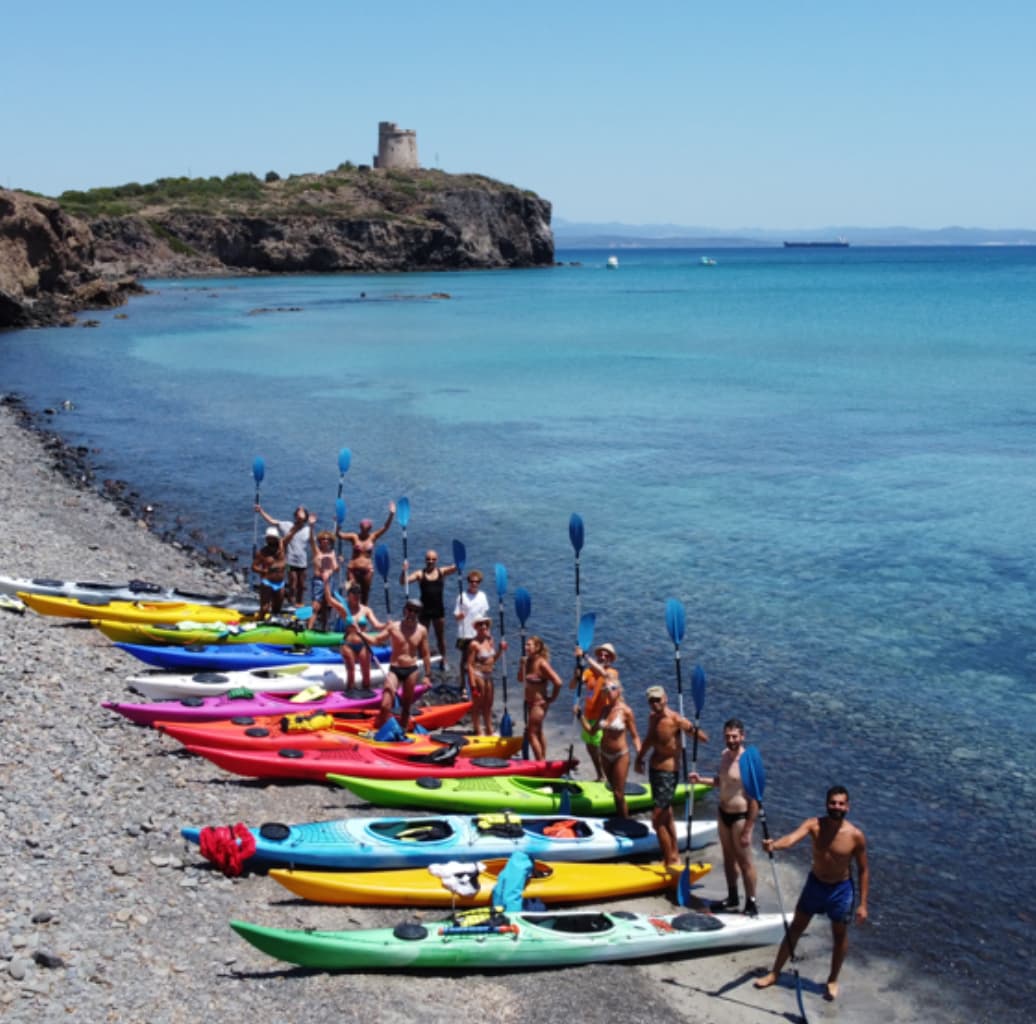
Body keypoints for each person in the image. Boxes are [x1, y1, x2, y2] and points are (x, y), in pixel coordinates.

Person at [754, 785, 870, 1002]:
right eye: (833, 803)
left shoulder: (856, 836)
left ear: (848, 807)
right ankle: (775, 972)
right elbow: (791, 839)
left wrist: (863, 904)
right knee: (796, 928)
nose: (836, 807)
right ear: (827, 804)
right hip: (815, 885)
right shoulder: (814, 824)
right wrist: (774, 846)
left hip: (841, 890)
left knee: (839, 936)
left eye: (841, 803)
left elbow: (864, 870)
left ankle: (833, 979)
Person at [635, 685, 710, 867]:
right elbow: (649, 739)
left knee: (656, 820)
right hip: (654, 770)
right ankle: (674, 853)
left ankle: (669, 861)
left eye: (658, 700)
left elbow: (703, 738)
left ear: (665, 699)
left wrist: (691, 727)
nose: (655, 704)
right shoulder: (652, 718)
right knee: (666, 814)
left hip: (668, 773)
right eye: (651, 701)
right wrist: (639, 758)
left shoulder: (675, 719)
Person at [689, 718, 758, 915]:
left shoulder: (748, 762)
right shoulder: (724, 755)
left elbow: (755, 800)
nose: (731, 740)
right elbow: (722, 781)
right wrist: (701, 779)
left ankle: (751, 903)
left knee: (745, 862)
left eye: (735, 736)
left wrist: (748, 829)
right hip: (723, 813)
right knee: (728, 858)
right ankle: (732, 897)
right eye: (727, 736)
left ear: (742, 736)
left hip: (740, 817)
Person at [576, 678, 640, 818]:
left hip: (620, 755)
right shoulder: (604, 710)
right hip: (605, 755)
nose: (608, 692)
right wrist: (580, 716)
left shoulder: (626, 711)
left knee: (618, 793)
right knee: (613, 790)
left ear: (619, 690)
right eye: (605, 690)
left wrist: (640, 757)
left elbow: (635, 736)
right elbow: (592, 731)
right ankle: (618, 818)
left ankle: (626, 823)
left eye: (612, 688)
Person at [367, 596, 432, 731]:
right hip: (395, 669)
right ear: (405, 610)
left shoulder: (422, 630)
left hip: (411, 670)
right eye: (409, 610)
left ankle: (402, 731)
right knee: (385, 704)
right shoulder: (394, 627)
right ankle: (380, 729)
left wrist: (427, 675)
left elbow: (425, 653)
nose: (412, 613)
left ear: (418, 614)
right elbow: (377, 640)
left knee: (406, 706)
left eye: (415, 611)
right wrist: (360, 634)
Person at [569, 642, 620, 783]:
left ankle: (611, 778)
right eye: (601, 654)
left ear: (610, 659)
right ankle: (600, 775)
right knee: (590, 747)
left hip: (604, 714)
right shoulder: (589, 672)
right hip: (589, 713)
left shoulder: (612, 673)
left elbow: (603, 673)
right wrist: (577, 671)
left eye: (606, 655)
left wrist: (584, 656)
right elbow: (572, 686)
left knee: (601, 747)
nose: (603, 657)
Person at [399, 549, 457, 670]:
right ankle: (423, 660)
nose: (430, 561)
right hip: (424, 611)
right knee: (422, 637)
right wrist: (404, 570)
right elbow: (403, 582)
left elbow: (456, 567)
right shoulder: (420, 574)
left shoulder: (442, 572)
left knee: (440, 637)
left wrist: (459, 561)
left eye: (433, 559)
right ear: (425, 560)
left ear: (437, 560)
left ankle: (443, 659)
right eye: (428, 559)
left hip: (438, 611)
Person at [323, 580, 385, 691]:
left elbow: (377, 625)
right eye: (354, 593)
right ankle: (349, 694)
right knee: (351, 673)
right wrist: (326, 582)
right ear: (349, 595)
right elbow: (329, 600)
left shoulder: (366, 610)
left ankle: (367, 694)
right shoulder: (344, 610)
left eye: (358, 593)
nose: (357, 596)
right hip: (348, 644)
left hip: (363, 644)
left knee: (366, 674)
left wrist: (387, 625)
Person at [256, 503, 316, 607]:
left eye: (302, 514)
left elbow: (312, 543)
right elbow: (272, 521)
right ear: (295, 515)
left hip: (302, 562)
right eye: (298, 513)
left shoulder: (307, 530)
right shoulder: (287, 525)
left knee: (301, 585)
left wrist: (311, 526)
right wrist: (261, 511)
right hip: (289, 561)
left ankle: (300, 602)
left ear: (305, 517)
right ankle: (291, 602)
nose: (299, 517)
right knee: (292, 582)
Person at [336, 501, 395, 604]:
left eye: (367, 529)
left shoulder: (373, 537)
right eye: (363, 529)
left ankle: (363, 617)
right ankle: (349, 615)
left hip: (367, 570)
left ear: (370, 529)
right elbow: (339, 535)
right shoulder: (354, 537)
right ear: (360, 528)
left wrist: (391, 514)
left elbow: (385, 527)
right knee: (351, 592)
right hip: (352, 569)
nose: (365, 531)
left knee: (365, 594)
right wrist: (338, 524)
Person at [517, 635, 562, 759]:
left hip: (539, 703)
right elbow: (520, 679)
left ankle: (539, 762)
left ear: (537, 647)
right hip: (529, 703)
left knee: (531, 734)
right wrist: (522, 665)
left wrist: (552, 698)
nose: (526, 647)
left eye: (529, 645)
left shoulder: (542, 664)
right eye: (526, 645)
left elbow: (558, 682)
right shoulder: (528, 661)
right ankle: (543, 758)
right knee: (538, 731)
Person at [464, 615, 507, 736]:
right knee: (478, 705)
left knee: (489, 704)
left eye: (485, 624)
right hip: (478, 676)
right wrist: (472, 685)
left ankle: (489, 729)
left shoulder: (490, 640)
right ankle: (478, 730)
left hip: (489, 676)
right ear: (476, 627)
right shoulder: (474, 644)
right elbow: (470, 665)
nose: (484, 626)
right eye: (481, 624)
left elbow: (493, 660)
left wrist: (500, 650)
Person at [251, 526, 289, 618]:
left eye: (273, 538)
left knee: (277, 609)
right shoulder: (263, 552)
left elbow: (291, 534)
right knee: (265, 608)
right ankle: (259, 622)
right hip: (267, 582)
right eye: (269, 539)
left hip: (280, 583)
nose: (271, 541)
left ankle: (273, 624)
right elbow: (253, 567)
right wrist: (263, 571)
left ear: (277, 539)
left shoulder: (282, 549)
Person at [307, 528, 341, 631]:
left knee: (327, 606)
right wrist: (312, 526)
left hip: (329, 581)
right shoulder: (317, 551)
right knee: (316, 606)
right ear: (320, 540)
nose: (325, 540)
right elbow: (311, 540)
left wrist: (339, 563)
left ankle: (324, 629)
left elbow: (336, 568)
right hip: (318, 581)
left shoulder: (332, 553)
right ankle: (309, 629)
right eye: (323, 539)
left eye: (327, 539)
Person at [453, 569, 489, 661]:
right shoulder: (462, 596)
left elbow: (485, 616)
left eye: (477, 582)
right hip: (464, 634)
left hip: (478, 633)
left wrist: (487, 632)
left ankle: (474, 675)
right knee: (464, 659)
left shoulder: (482, 596)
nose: (474, 584)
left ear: (479, 582)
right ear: (468, 582)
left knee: (477, 658)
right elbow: (456, 616)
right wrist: (459, 616)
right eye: (472, 581)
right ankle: (461, 676)